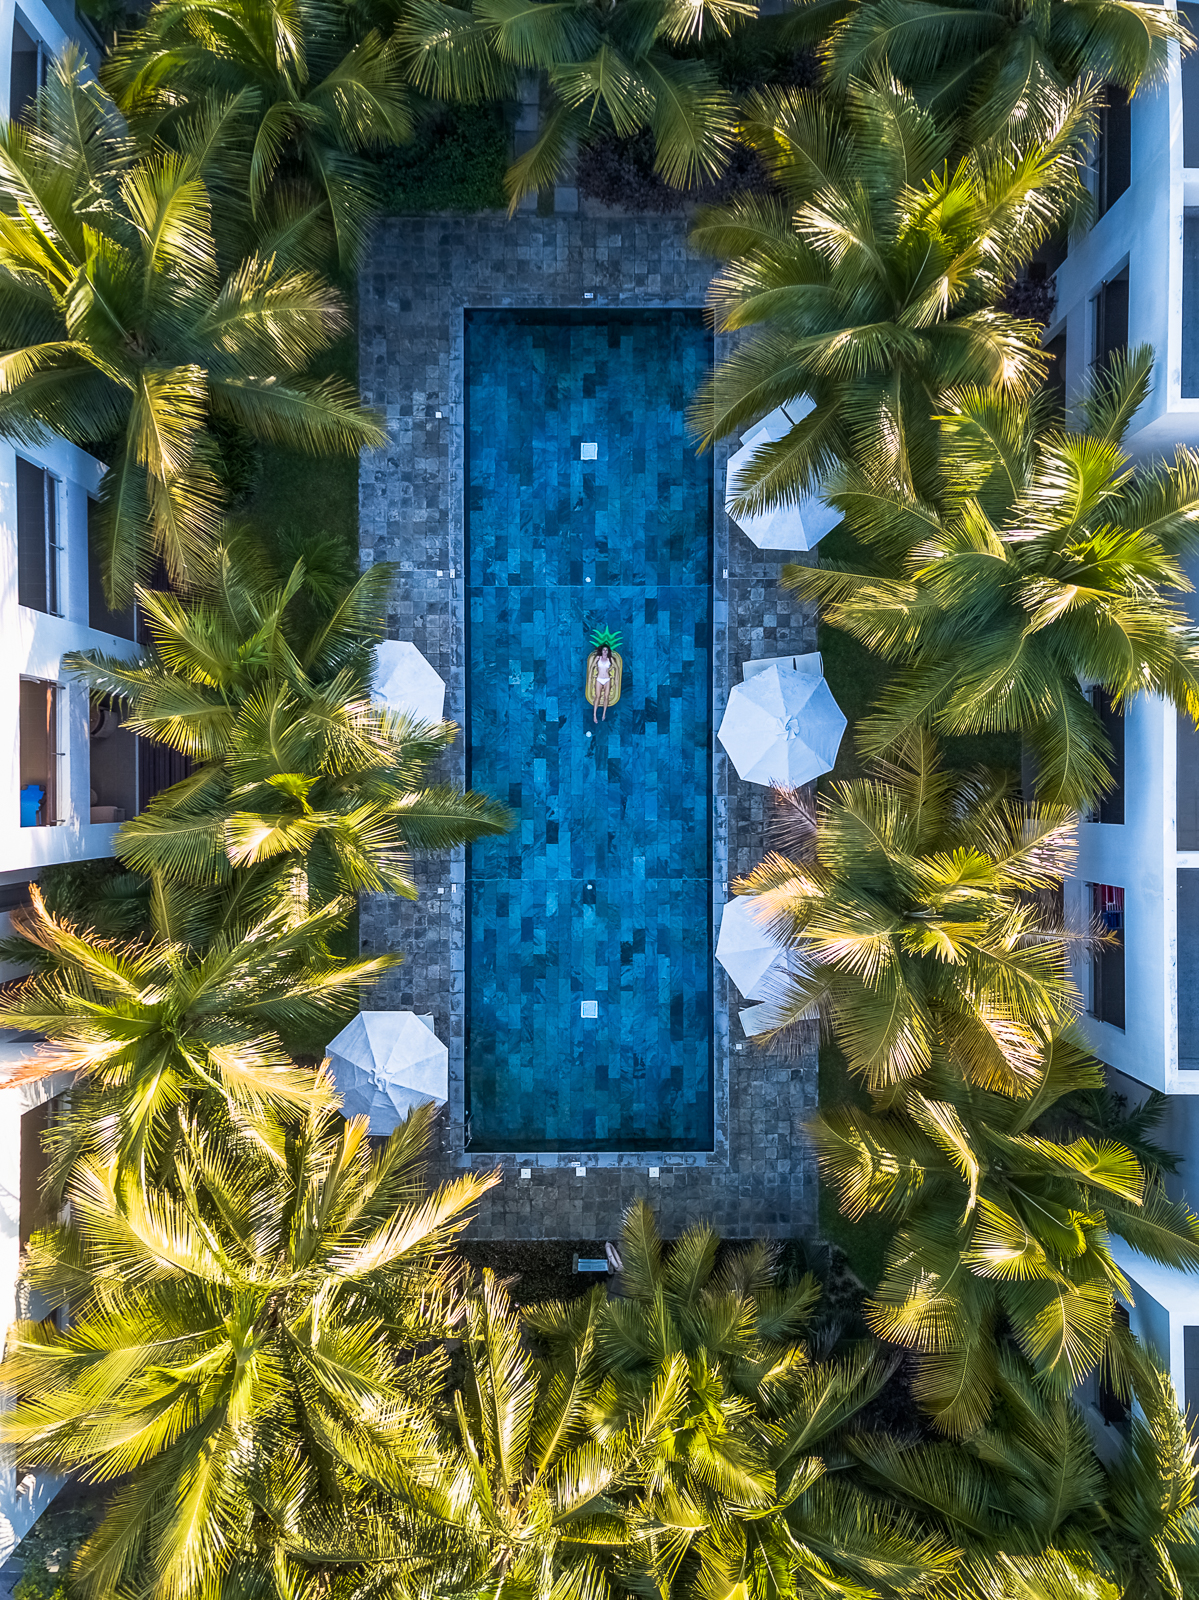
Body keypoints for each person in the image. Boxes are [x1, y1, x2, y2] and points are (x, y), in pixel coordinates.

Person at [594, 644, 613, 722]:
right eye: (603, 650)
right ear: (601, 651)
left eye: (606, 650)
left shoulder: (610, 659)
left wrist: (612, 671)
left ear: (608, 652)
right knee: (597, 696)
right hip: (599, 679)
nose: (605, 651)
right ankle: (594, 715)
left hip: (607, 679)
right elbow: (592, 666)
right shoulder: (598, 658)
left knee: (606, 697)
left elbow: (616, 667)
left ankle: (604, 714)